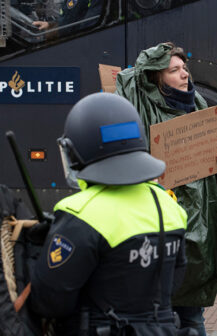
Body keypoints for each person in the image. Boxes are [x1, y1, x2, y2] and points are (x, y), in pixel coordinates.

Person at [29, 92, 189, 335]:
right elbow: (173, 282)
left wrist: (35, 256)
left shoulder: (80, 214)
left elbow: (51, 301)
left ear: (75, 152)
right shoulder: (168, 206)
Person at [115, 42, 217, 336]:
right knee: (161, 315)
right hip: (160, 222)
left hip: (196, 222)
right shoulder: (144, 108)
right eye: (174, 70)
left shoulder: (199, 105)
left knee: (192, 315)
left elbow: (208, 172)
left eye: (184, 68)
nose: (184, 75)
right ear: (157, 77)